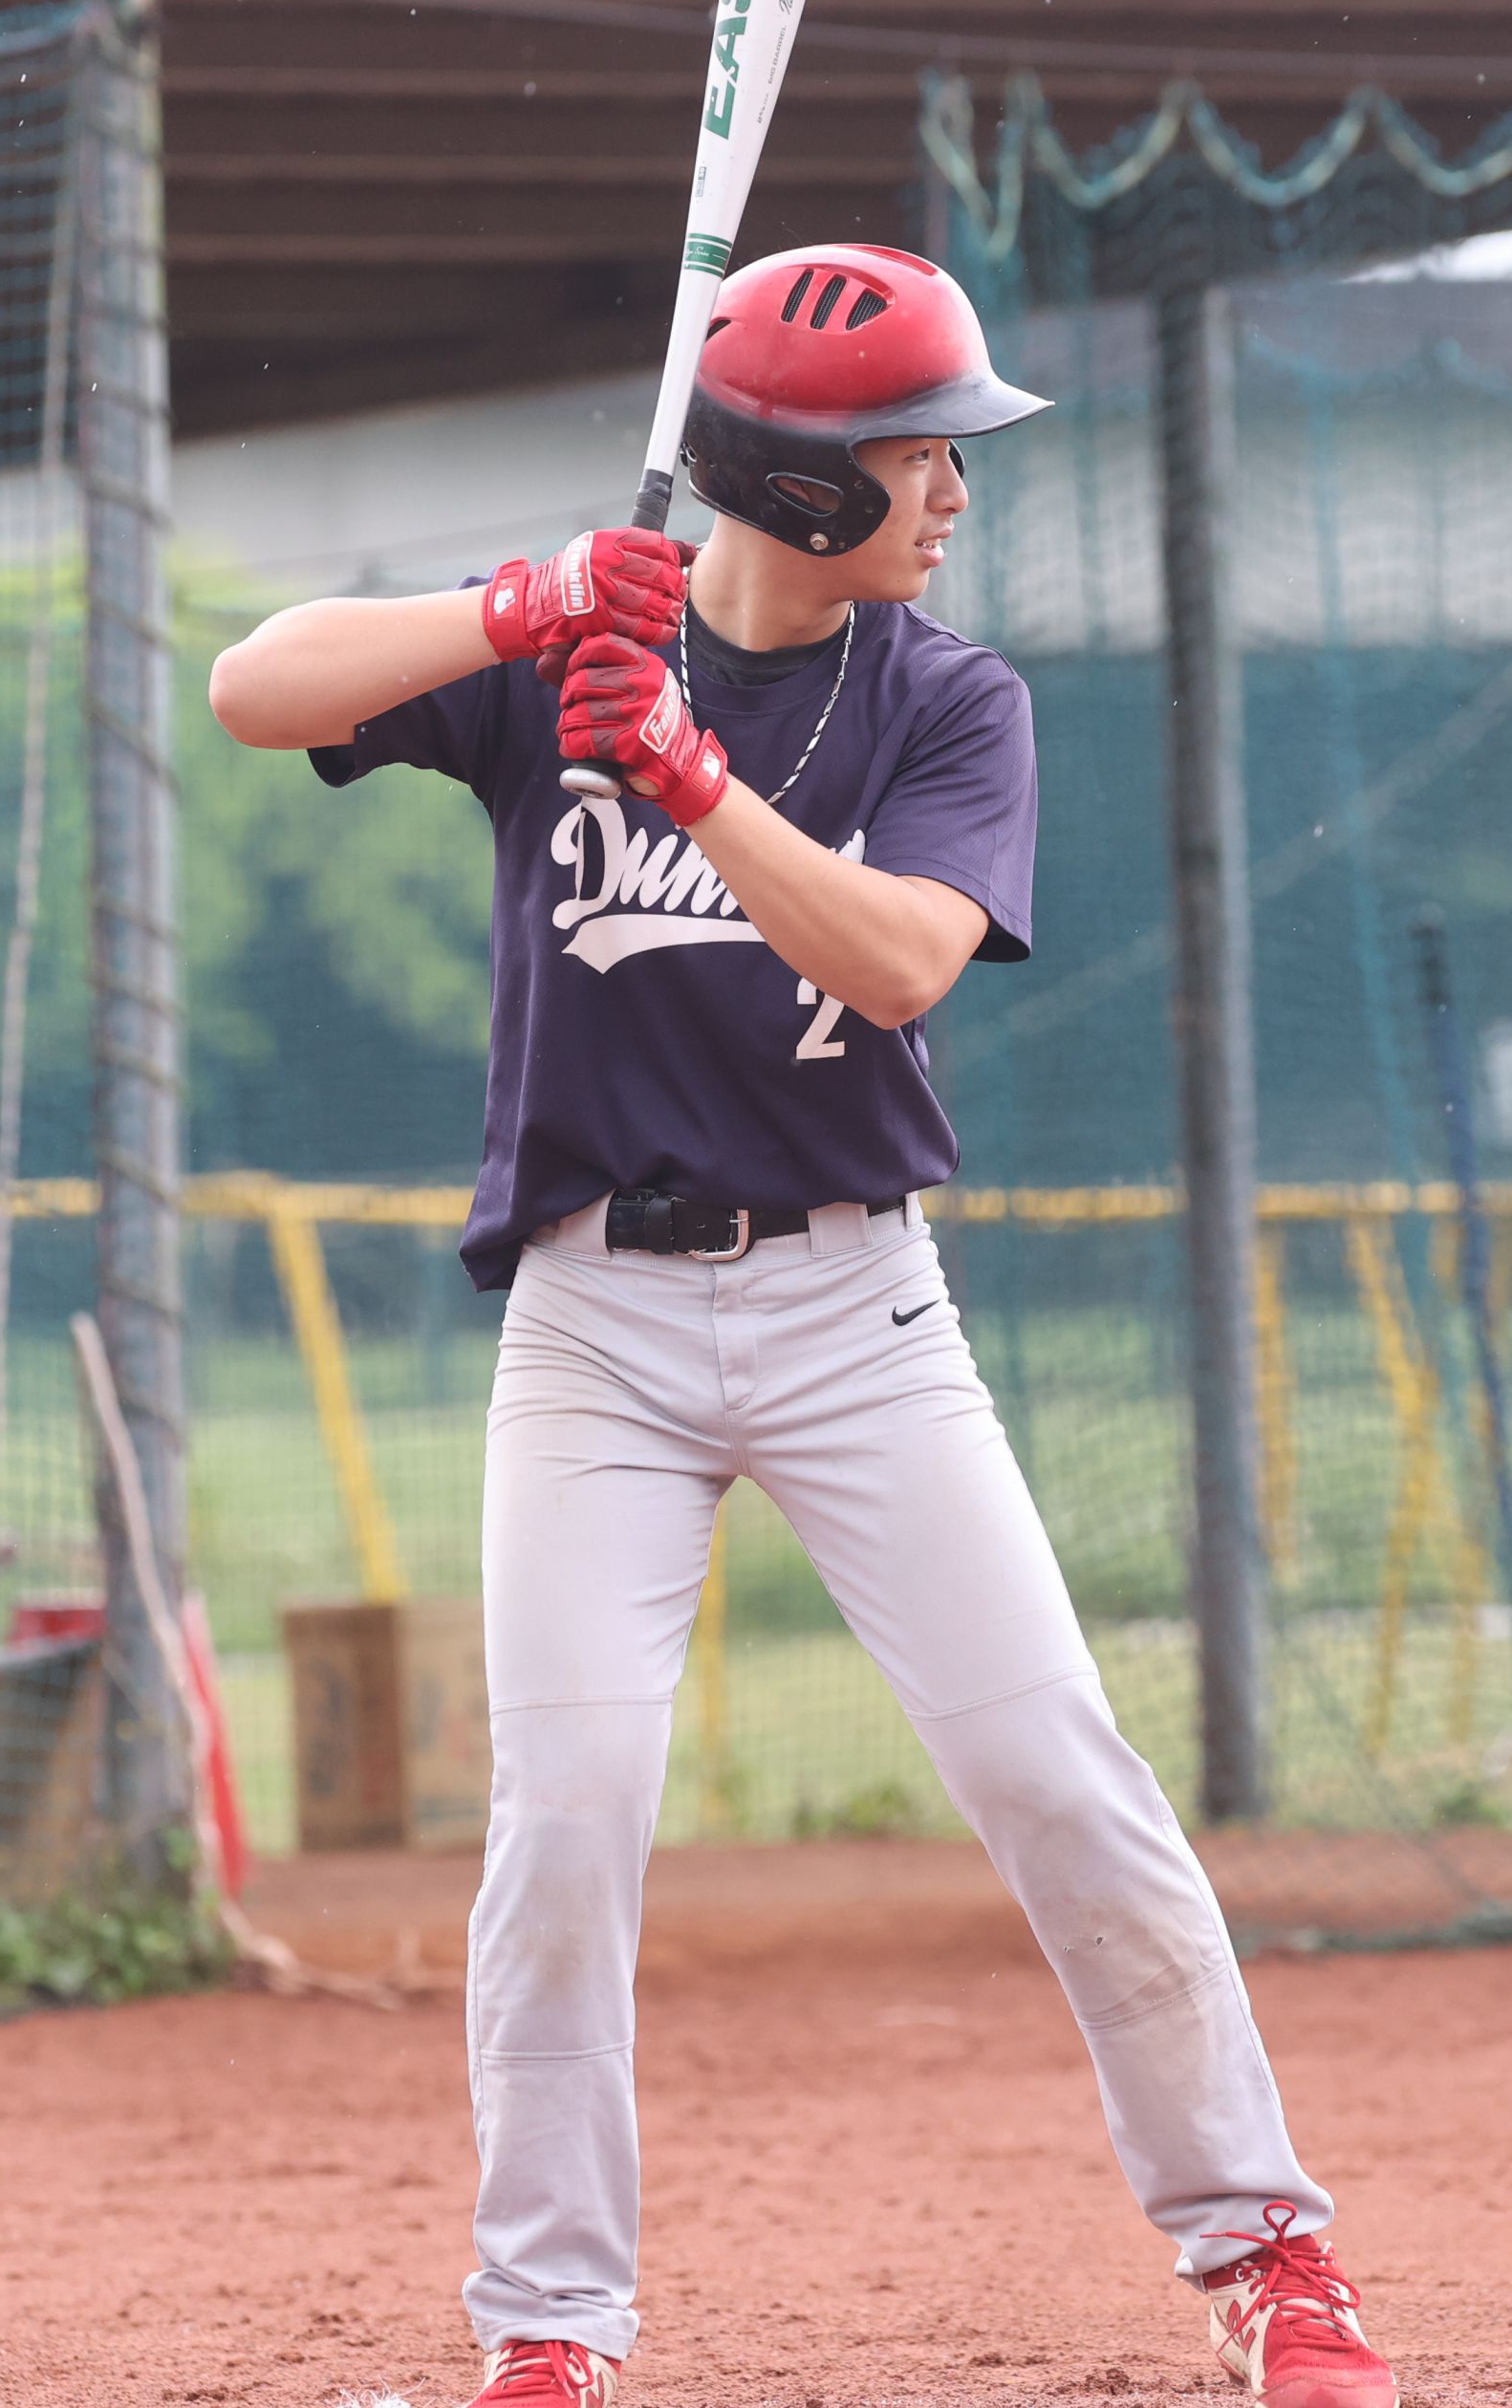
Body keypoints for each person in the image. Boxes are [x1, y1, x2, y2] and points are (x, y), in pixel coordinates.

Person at [208, 244, 1396, 2408]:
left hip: (858, 1304)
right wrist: (517, 608)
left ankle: (1270, 2253)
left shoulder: (948, 698)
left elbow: (904, 956)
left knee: (1053, 1770)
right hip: (594, 1323)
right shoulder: (573, 642)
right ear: (805, 482)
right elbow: (252, 687)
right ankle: (548, 2328)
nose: (953, 492)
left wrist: (684, 774)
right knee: (568, 1817)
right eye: (920, 454)